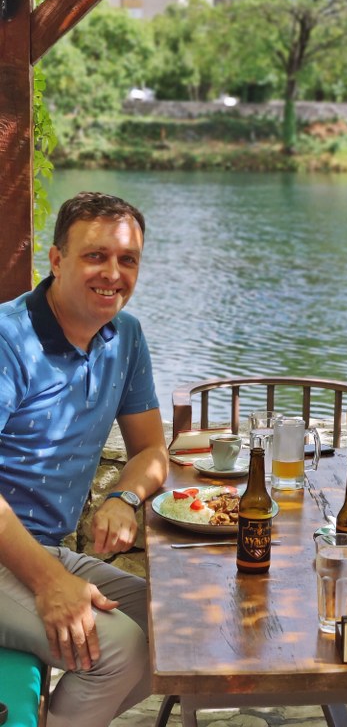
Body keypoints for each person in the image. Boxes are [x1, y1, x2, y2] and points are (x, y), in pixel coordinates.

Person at [0, 192, 169, 727]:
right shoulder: (8, 340)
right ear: (56, 260)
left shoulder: (126, 336)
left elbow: (152, 450)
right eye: (96, 256)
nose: (113, 274)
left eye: (127, 259)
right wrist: (51, 583)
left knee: (171, 627)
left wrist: (123, 497)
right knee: (119, 649)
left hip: (42, 548)